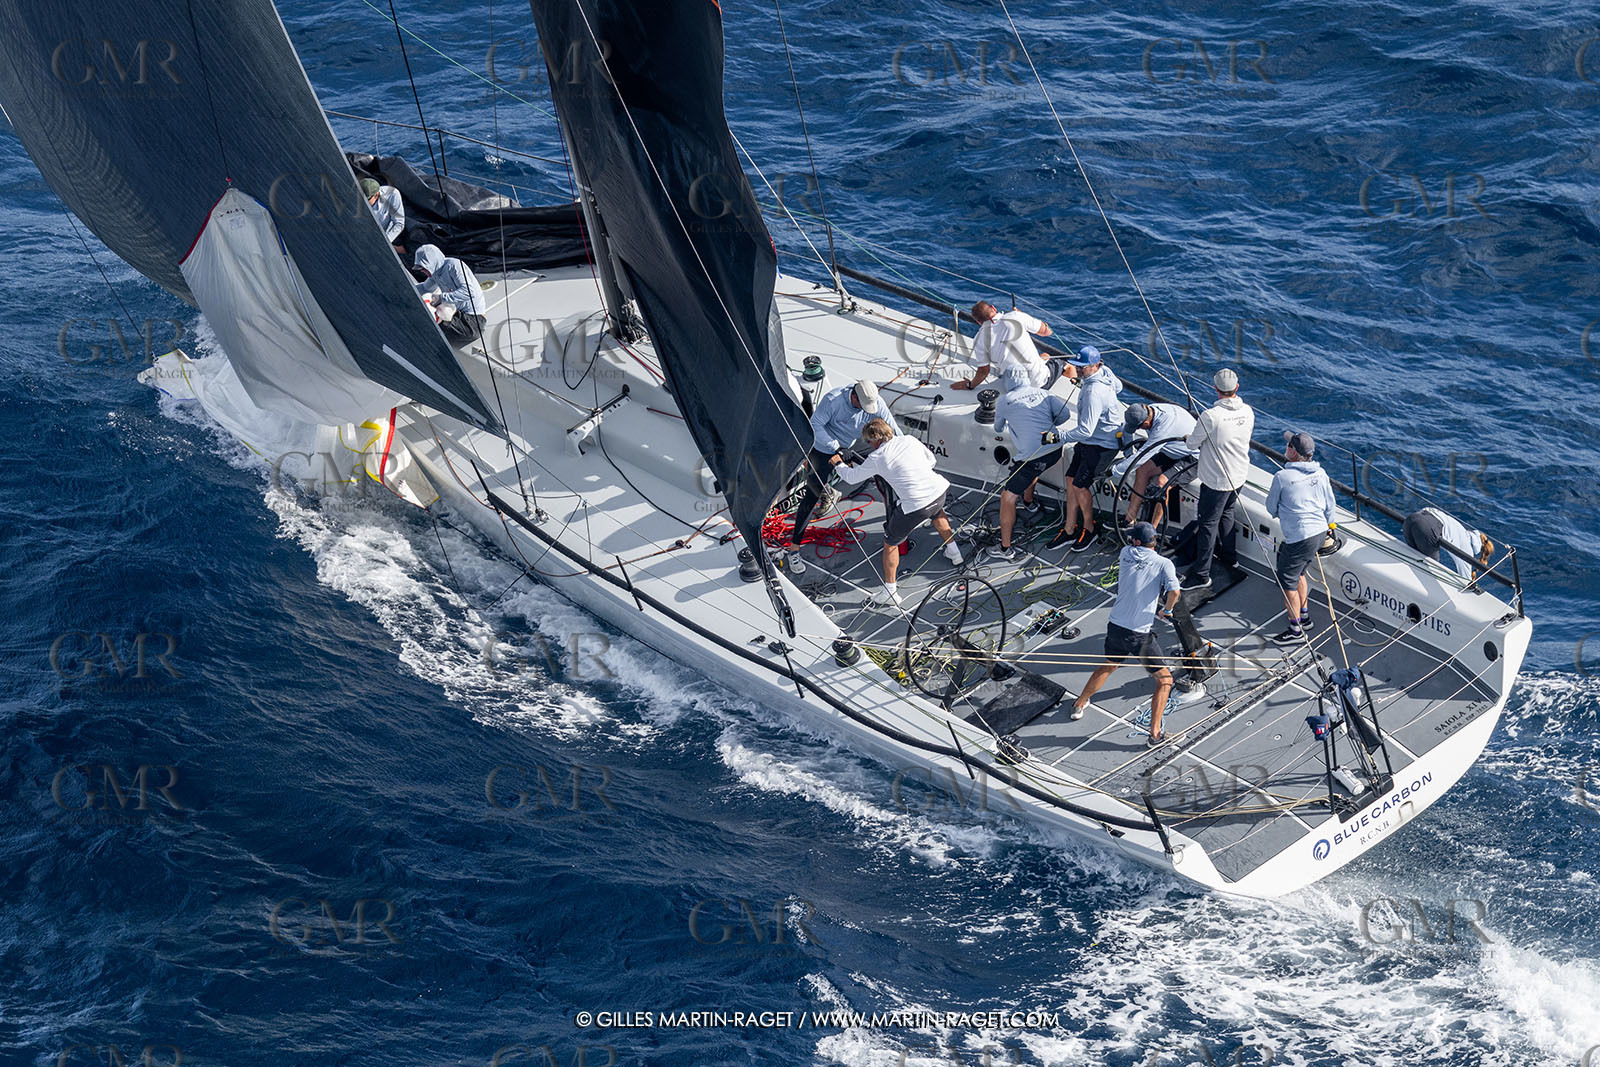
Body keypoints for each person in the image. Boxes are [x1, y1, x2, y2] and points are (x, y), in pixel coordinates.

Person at [1069, 522, 1182, 747]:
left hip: (1116, 627)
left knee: (1108, 666)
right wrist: (1166, 610)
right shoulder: (1164, 563)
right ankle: (1155, 735)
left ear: (1137, 542)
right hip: (1139, 635)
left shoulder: (1125, 553)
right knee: (1165, 680)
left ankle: (1080, 704)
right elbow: (1175, 591)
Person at [832, 418, 964, 606]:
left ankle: (890, 592)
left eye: (869, 442)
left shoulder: (877, 458)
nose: (869, 446)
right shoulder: (909, 439)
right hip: (938, 491)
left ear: (875, 440)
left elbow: (852, 478)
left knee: (890, 543)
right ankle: (955, 553)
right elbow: (931, 460)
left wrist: (838, 463)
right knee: (937, 513)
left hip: (916, 506)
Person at [787, 379, 900, 548]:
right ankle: (794, 547)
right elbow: (815, 425)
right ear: (853, 396)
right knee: (812, 496)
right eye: (862, 405)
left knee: (887, 474)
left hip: (852, 445)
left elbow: (893, 429)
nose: (865, 410)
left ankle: (895, 525)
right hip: (824, 448)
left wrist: (906, 449)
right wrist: (836, 447)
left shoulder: (876, 402)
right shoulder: (833, 400)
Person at [982, 368, 1072, 562]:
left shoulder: (1005, 400)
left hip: (1032, 458)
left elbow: (998, 427)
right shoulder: (1045, 393)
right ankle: (1030, 504)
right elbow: (1064, 416)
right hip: (1055, 451)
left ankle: (1005, 548)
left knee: (1007, 498)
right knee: (1033, 470)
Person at [1045, 345, 1125, 554]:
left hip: (1101, 445)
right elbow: (1118, 387)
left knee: (1081, 486)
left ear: (1095, 365)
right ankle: (1069, 529)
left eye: (1082, 367)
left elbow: (1085, 431)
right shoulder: (1105, 372)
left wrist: (1058, 437)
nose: (1078, 370)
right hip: (1093, 441)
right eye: (1077, 366)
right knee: (1071, 479)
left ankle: (1090, 529)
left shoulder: (1092, 393)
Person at [1180, 368, 1255, 589]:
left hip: (1216, 482)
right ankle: (1230, 558)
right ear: (1237, 388)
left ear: (1216, 389)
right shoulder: (1248, 411)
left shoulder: (1211, 416)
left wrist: (1190, 438)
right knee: (1227, 515)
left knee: (1207, 525)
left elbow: (1192, 443)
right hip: (1239, 476)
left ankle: (1202, 575)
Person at [1265, 432, 1337, 642]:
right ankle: (1304, 617)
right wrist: (1330, 526)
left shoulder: (1282, 477)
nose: (1285, 446)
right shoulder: (1321, 473)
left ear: (1293, 452)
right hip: (1319, 532)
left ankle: (1296, 629)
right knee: (1300, 573)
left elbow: (1271, 508)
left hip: (1299, 537)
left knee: (1287, 583)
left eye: (1288, 445)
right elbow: (1330, 505)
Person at [1120, 402, 1198, 530]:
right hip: (1172, 450)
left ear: (1145, 424)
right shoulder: (1147, 410)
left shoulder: (1163, 427)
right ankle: (1129, 519)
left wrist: (1116, 470)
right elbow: (1127, 432)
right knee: (1142, 470)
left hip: (1193, 457)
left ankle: (1151, 532)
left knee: (1162, 483)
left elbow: (1143, 455)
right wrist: (1128, 454)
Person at [950, 301, 1053, 391]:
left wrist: (970, 385)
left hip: (1014, 386)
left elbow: (983, 371)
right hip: (1039, 383)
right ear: (994, 308)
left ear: (979, 322)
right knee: (1064, 365)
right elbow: (1047, 332)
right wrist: (1021, 314)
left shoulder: (978, 339)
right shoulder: (1015, 316)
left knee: (1045, 355)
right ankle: (1070, 378)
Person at [414, 244, 487, 342]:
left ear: (432, 263)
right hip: (458, 314)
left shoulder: (453, 266)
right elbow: (425, 288)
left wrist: (440, 298)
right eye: (420, 269)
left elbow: (468, 292)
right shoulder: (435, 272)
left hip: (474, 321)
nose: (423, 271)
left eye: (423, 268)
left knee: (429, 328)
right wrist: (405, 289)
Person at [1403, 506, 1494, 579]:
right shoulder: (1467, 546)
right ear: (1479, 549)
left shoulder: (1460, 529)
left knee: (1414, 557)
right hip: (1426, 527)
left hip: (1412, 518)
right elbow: (1465, 575)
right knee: (1431, 568)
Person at [361, 177, 405, 252]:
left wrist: (384, 243)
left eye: (367, 199)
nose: (362, 202)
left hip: (382, 236)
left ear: (376, 195)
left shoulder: (392, 194)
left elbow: (399, 223)